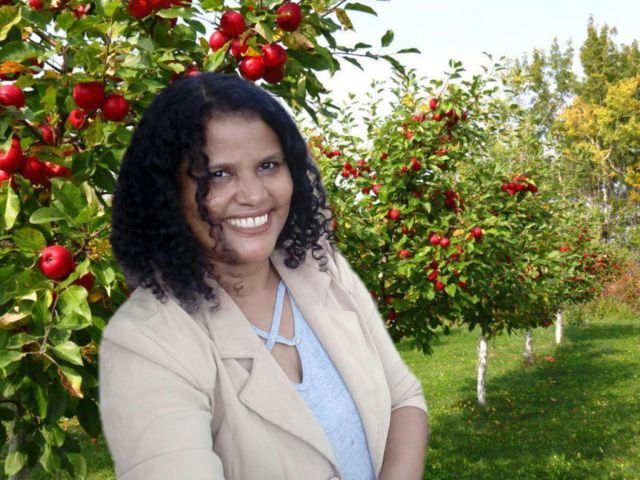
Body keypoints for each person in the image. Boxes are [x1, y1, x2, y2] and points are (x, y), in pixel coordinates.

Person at [98, 72, 429, 480]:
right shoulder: (146, 343)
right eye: (218, 174)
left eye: (268, 165)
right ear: (168, 193)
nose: (254, 195)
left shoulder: (320, 268)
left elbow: (403, 398)